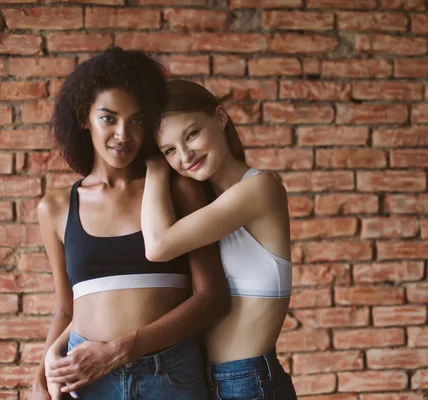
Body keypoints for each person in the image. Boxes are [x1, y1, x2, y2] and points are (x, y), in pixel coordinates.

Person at [33, 48, 228, 400]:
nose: (123, 134)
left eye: (137, 120)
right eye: (109, 118)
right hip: (85, 381)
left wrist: (121, 350)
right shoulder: (56, 207)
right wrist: (39, 382)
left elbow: (212, 297)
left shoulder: (177, 189)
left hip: (168, 376)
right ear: (84, 118)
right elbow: (66, 309)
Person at [140, 79, 297, 399]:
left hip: (247, 382)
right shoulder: (205, 204)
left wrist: (155, 165)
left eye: (192, 134)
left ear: (221, 118)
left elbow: (157, 246)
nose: (185, 154)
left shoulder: (259, 188)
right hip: (208, 380)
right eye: (169, 149)